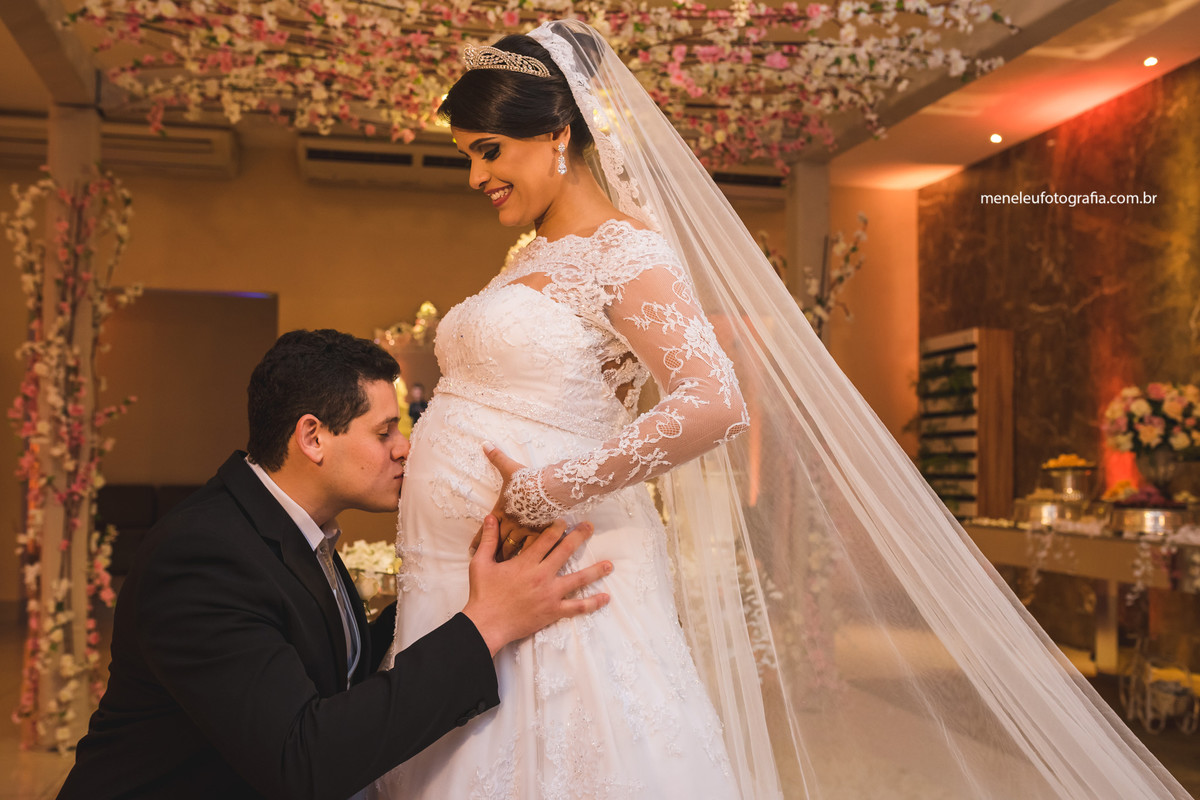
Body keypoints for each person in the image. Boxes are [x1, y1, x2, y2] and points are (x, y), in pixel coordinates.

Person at [377, 19, 1189, 800]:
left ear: (558, 133)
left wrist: (546, 489)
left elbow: (714, 401)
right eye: (468, 156)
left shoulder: (626, 249)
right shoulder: (532, 256)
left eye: (489, 151)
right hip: (472, 581)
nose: (476, 176)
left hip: (555, 565)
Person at [57, 329, 612, 800]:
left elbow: (341, 665)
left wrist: (461, 584)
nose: (404, 449)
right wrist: (487, 625)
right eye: (384, 431)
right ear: (313, 437)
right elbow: (302, 761)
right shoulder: (204, 556)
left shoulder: (289, 530)